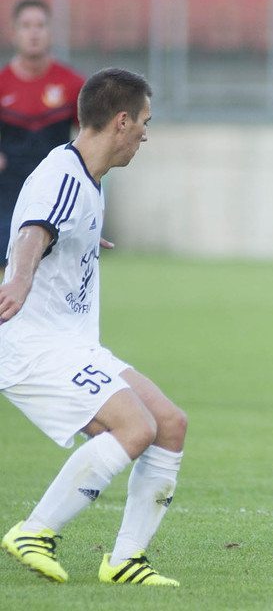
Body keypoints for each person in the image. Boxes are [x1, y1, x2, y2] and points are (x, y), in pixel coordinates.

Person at [0, 67, 187, 586]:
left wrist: (83, 240)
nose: (146, 134)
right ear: (121, 121)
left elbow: (55, 225)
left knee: (169, 424)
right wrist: (18, 280)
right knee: (135, 428)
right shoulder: (64, 174)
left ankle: (125, 560)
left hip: (74, 343)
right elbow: (35, 231)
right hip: (35, 346)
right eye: (145, 122)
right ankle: (34, 531)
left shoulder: (87, 176)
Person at [0, 0, 84, 269]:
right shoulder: (3, 84)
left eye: (40, 25)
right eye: (26, 26)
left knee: (52, 264)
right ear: (14, 33)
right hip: (9, 189)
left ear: (50, 32)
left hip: (56, 188)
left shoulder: (72, 84)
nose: (33, 32)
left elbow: (92, 137)